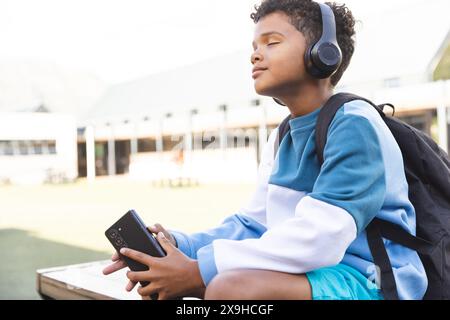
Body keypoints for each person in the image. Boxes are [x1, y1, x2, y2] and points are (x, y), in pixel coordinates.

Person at [103, 0, 427, 300]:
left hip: (372, 280)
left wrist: (197, 270)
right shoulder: (281, 135)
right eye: (255, 47)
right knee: (208, 284)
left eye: (272, 42)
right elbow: (253, 225)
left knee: (229, 287)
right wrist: (179, 245)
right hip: (316, 271)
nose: (255, 55)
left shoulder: (355, 125)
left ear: (323, 53)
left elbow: (320, 238)